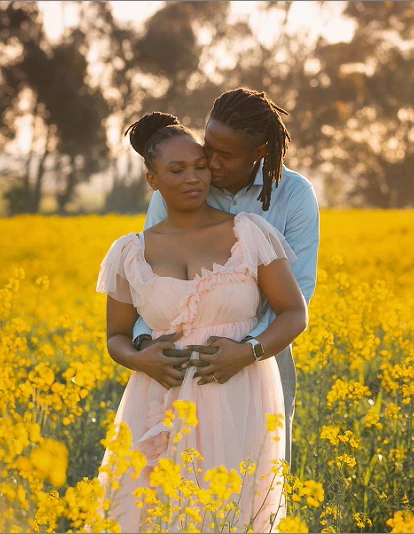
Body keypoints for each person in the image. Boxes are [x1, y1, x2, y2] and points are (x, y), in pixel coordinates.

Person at [95, 111, 308, 533]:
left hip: (238, 395)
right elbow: (116, 337)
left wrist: (246, 353)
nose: (195, 177)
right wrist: (142, 361)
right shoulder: (129, 252)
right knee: (148, 514)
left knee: (229, 513)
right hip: (156, 399)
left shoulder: (249, 232)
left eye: (199, 166)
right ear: (152, 180)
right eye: (177, 170)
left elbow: (295, 312)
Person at [131, 88, 320, 469]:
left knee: (252, 489)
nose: (211, 164)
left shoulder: (294, 195)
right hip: (177, 365)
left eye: (227, 155)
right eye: (208, 146)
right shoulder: (184, 182)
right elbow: (149, 277)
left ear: (259, 152)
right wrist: (145, 343)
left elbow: (297, 293)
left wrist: (244, 351)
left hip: (262, 357)